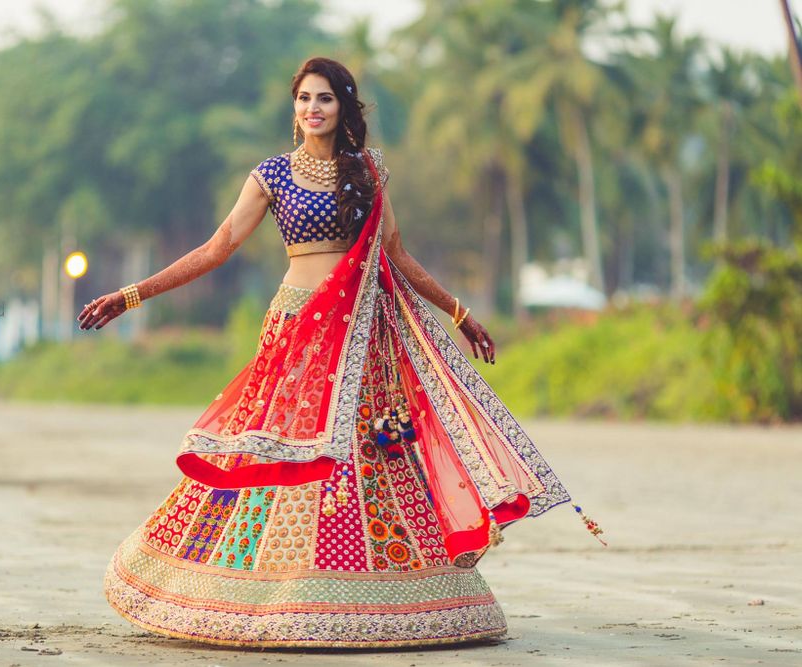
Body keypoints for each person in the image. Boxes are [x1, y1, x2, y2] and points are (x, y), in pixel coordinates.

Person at [77, 56, 604, 649]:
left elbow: (398, 255)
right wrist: (132, 294)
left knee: (368, 454)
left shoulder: (369, 170)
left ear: (343, 107)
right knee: (284, 449)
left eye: (324, 99)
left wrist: (460, 313)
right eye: (303, 99)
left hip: (365, 334)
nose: (312, 109)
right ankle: (269, 585)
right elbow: (218, 246)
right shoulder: (272, 175)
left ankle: (378, 583)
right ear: (293, 107)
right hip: (298, 330)